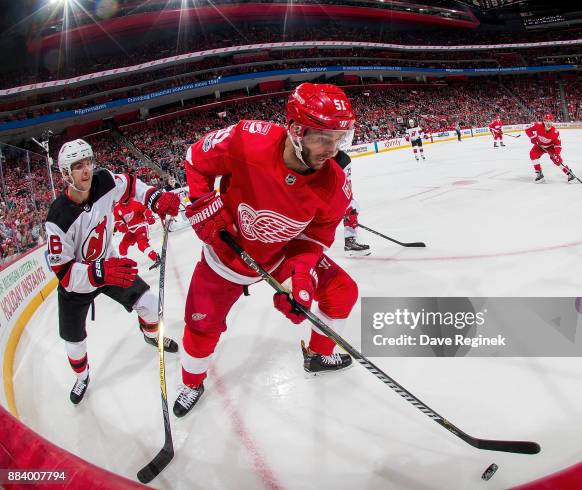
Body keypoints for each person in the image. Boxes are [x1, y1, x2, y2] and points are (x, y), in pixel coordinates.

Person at [174, 83, 359, 417]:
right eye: (322, 137)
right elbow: (195, 159)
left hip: (280, 256)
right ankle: (190, 381)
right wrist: (202, 201)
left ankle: (318, 355)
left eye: (339, 138)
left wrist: (300, 273)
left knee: (342, 291)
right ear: (296, 130)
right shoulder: (248, 139)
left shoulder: (334, 184)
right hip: (226, 256)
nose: (332, 150)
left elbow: (315, 238)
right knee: (201, 326)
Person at [44, 138, 181, 405]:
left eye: (88, 163)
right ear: (64, 173)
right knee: (73, 342)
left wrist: (154, 197)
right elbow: (65, 275)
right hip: (79, 283)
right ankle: (82, 377)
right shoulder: (57, 218)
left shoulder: (104, 181)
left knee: (152, 306)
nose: (86, 170)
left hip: (111, 268)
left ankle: (151, 336)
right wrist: (98, 272)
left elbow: (130, 185)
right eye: (78, 166)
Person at [525, 114, 576, 184]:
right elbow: (527, 129)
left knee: (556, 160)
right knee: (532, 154)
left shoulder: (555, 132)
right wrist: (532, 137)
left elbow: (558, 145)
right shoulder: (538, 125)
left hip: (550, 147)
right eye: (546, 121)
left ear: (552, 121)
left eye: (550, 121)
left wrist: (557, 154)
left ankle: (569, 173)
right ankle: (539, 174)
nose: (548, 123)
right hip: (540, 145)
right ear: (543, 121)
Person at [114, 198, 161, 269]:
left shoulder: (135, 202)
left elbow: (145, 210)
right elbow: (117, 221)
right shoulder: (116, 208)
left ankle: (155, 258)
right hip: (130, 230)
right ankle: (124, 265)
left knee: (141, 244)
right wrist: (121, 226)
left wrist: (149, 216)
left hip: (140, 225)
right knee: (122, 246)